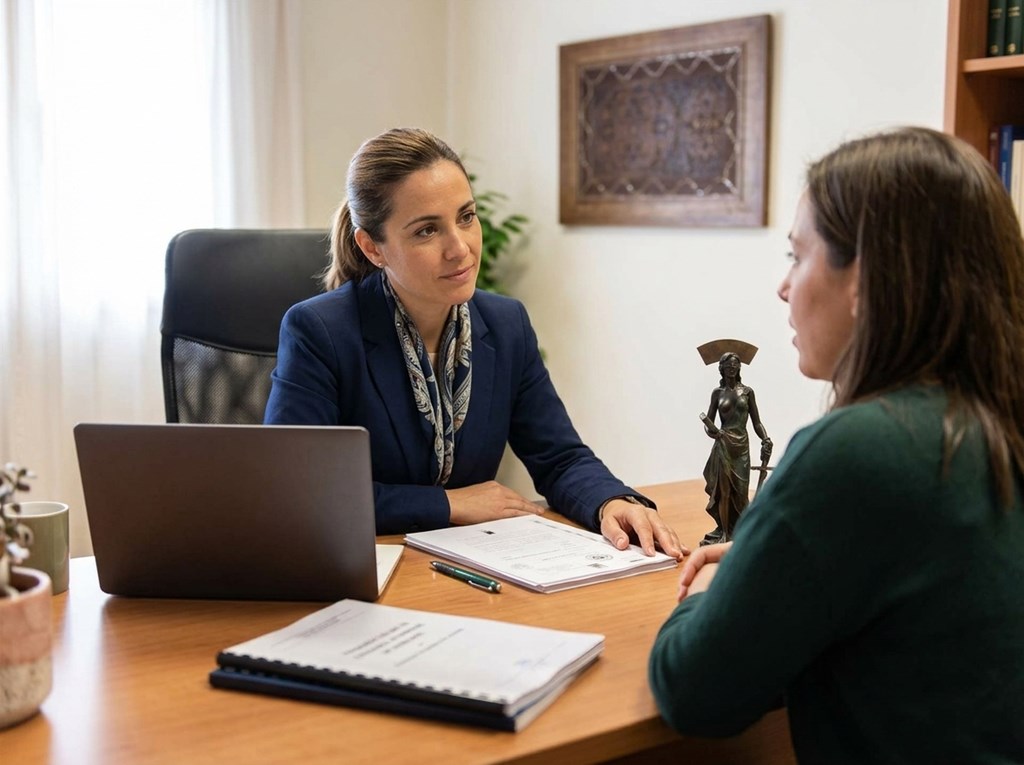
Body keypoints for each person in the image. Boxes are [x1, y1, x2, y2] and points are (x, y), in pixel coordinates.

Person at [648, 127, 1024, 762]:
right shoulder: (991, 420)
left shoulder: (859, 450)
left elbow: (695, 690)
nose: (784, 287)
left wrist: (729, 586)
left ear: (866, 278)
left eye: (798, 256)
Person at [264, 127, 684, 559]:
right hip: (363, 569)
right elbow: (297, 490)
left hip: (476, 568)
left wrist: (610, 501)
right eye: (427, 231)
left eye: (466, 217)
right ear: (373, 248)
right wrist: (448, 503)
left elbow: (558, 456)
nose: (460, 248)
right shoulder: (320, 330)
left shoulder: (506, 324)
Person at [699, 351, 771, 545]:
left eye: (735, 365)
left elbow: (756, 422)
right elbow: (709, 422)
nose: (732, 368)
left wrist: (765, 438)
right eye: (728, 365)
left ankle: (741, 529)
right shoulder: (717, 393)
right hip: (722, 445)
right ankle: (725, 532)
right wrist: (712, 431)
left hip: (741, 448)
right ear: (721, 368)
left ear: (739, 368)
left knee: (741, 491)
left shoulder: (747, 392)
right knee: (724, 492)